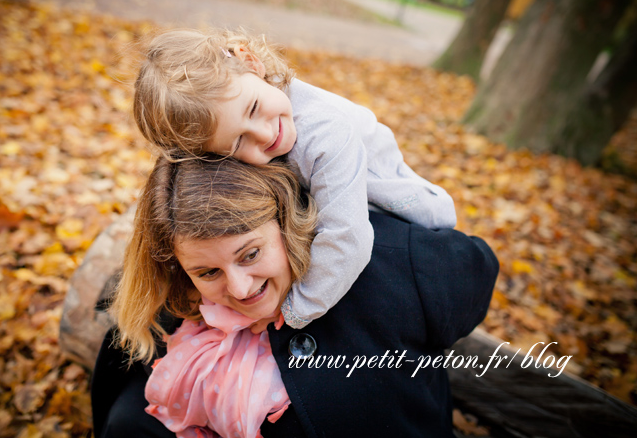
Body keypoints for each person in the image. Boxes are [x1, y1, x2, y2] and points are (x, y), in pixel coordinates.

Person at [91, 155, 499, 437]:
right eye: (208, 272)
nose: (240, 288)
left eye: (250, 254)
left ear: (286, 217)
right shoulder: (176, 301)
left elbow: (476, 270)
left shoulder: (392, 265)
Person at [132, 27, 457, 330]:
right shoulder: (250, 107)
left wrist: (294, 311)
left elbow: (350, 239)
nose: (264, 133)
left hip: (406, 217)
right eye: (237, 142)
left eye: (254, 108)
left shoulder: (327, 134)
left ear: (250, 61)